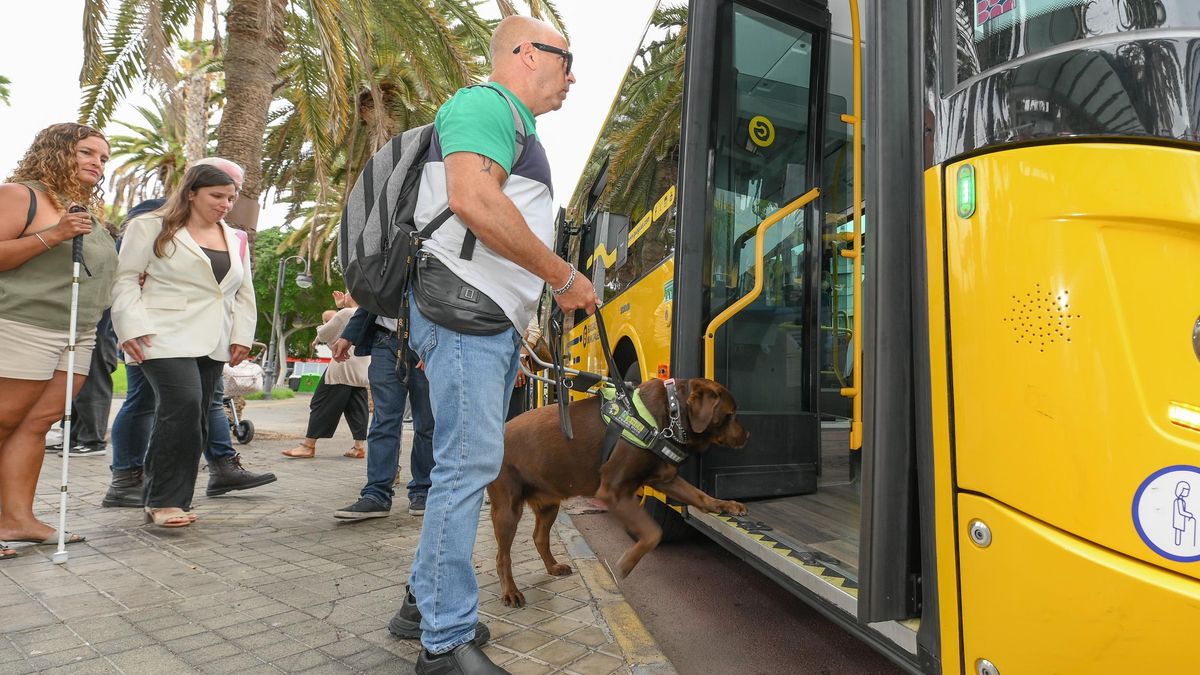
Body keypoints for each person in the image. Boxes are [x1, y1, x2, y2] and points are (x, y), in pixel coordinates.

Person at [390, 16, 599, 674]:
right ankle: (446, 642)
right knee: (466, 468)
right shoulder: (486, 104)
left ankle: (422, 607)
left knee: (464, 463)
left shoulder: (513, 127)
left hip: (479, 317)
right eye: (567, 61)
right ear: (527, 54)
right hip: (464, 311)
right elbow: (474, 199)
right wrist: (562, 276)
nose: (573, 77)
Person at [103, 164, 275, 507]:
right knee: (182, 406)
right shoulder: (150, 226)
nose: (226, 203)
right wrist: (130, 327)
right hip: (160, 334)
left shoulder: (233, 236)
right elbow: (125, 279)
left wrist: (242, 334)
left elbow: (242, 292)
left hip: (213, 339)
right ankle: (163, 501)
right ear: (191, 192)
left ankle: (170, 497)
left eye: (231, 197)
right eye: (217, 196)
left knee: (195, 416)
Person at [0, 123, 119, 560]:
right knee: (3, 420)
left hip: (78, 331)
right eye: (87, 152)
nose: (97, 163)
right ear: (56, 151)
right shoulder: (21, 195)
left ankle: (17, 520)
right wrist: (53, 234)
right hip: (22, 324)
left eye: (104, 158)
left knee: (37, 422)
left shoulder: (83, 207)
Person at [329, 305, 435, 519]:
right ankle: (376, 495)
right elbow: (372, 296)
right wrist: (348, 335)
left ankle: (424, 490)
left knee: (427, 423)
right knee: (383, 421)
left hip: (426, 342)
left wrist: (435, 344)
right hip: (385, 342)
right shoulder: (385, 269)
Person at [281, 291, 370, 459]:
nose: (345, 294)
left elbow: (325, 334)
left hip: (342, 366)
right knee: (356, 407)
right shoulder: (369, 314)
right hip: (362, 367)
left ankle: (308, 446)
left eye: (348, 292)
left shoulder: (347, 313)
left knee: (321, 403)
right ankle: (359, 447)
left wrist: (336, 313)